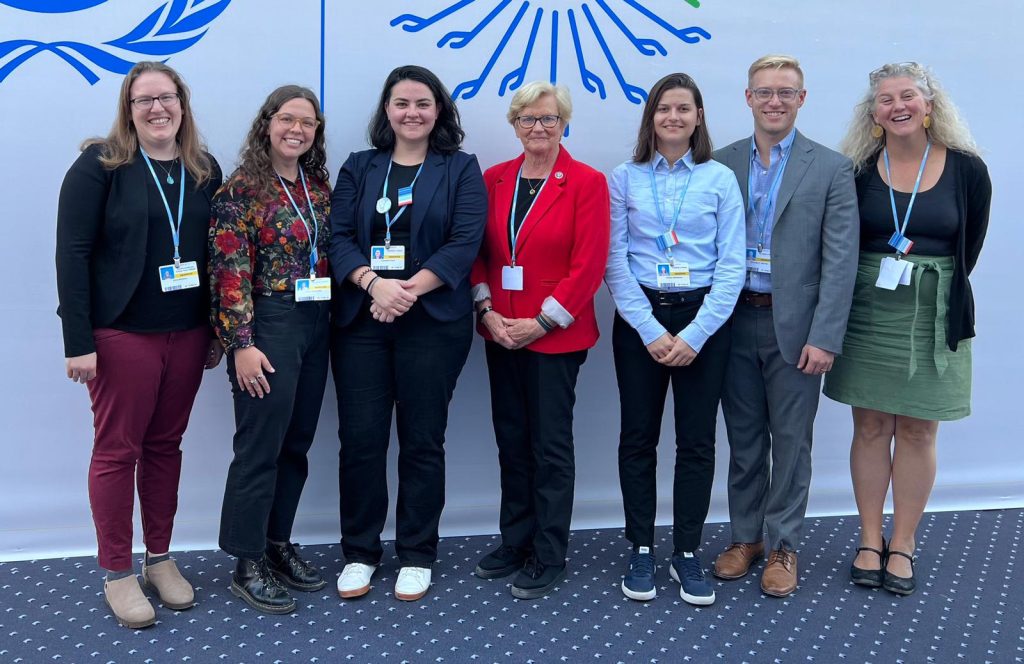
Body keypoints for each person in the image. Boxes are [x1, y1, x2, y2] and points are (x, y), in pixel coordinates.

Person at [55, 61, 222, 629]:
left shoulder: (203, 169)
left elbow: (219, 255)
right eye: (144, 99)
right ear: (129, 108)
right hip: (122, 334)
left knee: (165, 447)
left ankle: (160, 557)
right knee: (116, 451)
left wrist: (220, 330)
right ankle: (118, 571)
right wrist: (78, 339)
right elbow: (72, 254)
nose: (157, 108)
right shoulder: (101, 165)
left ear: (183, 104)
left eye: (167, 97)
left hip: (189, 331)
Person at [825, 62, 991, 596]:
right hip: (869, 311)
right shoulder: (856, 169)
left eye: (908, 96)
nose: (898, 106)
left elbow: (971, 246)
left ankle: (904, 542)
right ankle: (869, 539)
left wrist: (934, 286)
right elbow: (843, 242)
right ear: (872, 114)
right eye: (885, 99)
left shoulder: (968, 170)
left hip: (935, 309)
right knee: (871, 427)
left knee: (919, 430)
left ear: (929, 104)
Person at [329, 65, 486, 602]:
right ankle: (360, 552)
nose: (412, 112)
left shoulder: (460, 169)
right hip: (362, 324)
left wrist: (406, 292)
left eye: (423, 103)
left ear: (438, 110)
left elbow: (465, 242)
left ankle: (417, 553)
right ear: (387, 110)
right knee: (362, 442)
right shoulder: (358, 167)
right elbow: (339, 238)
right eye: (401, 103)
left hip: (432, 326)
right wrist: (375, 286)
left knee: (423, 441)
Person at [712, 55, 859, 598]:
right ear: (748, 98)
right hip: (733, 321)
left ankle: (784, 545)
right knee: (744, 440)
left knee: (791, 443)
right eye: (765, 92)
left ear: (802, 99)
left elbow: (840, 261)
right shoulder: (720, 162)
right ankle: (745, 537)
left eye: (786, 92)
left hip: (796, 331)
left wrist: (825, 336)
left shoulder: (831, 168)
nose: (775, 101)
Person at [605, 73, 744, 606]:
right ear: (651, 117)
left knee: (697, 441)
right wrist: (650, 329)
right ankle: (640, 546)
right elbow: (614, 261)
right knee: (637, 438)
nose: (674, 118)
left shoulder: (718, 179)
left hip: (703, 320)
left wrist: (694, 334)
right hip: (641, 316)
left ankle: (686, 551)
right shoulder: (624, 177)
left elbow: (731, 266)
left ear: (699, 117)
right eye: (664, 108)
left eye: (684, 109)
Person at [470, 81, 610, 600]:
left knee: (550, 446)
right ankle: (516, 540)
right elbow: (478, 253)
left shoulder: (586, 181)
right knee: (511, 439)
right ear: (514, 124)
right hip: (500, 331)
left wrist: (541, 323)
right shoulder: (494, 179)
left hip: (555, 338)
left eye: (548, 119)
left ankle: (549, 551)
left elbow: (589, 264)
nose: (538, 128)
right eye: (527, 119)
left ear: (564, 124)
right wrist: (487, 311)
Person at [210, 85, 332, 614]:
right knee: (259, 446)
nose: (297, 130)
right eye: (287, 119)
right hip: (267, 322)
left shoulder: (317, 187)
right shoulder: (240, 191)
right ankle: (246, 559)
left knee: (296, 442)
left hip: (315, 321)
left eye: (308, 123)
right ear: (267, 124)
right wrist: (241, 344)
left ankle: (277, 544)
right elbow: (228, 273)